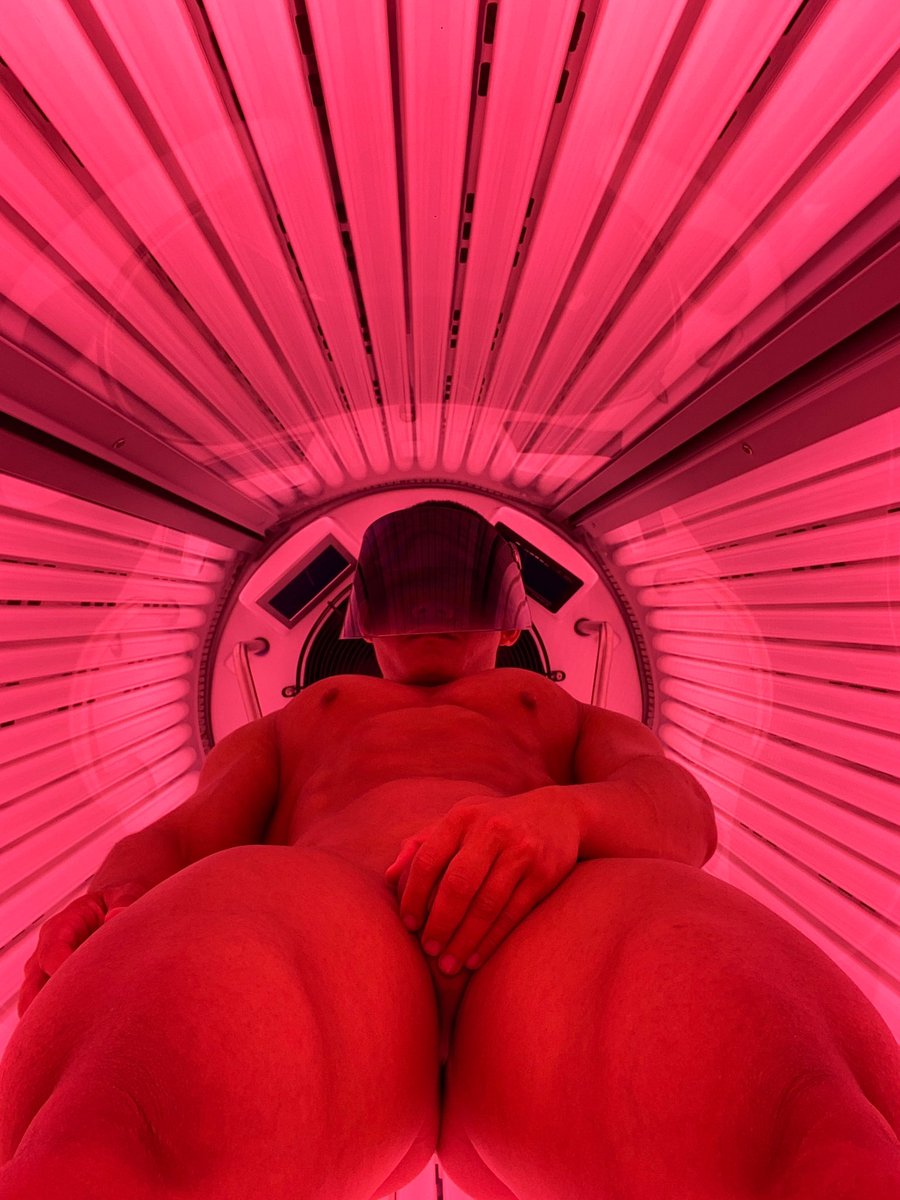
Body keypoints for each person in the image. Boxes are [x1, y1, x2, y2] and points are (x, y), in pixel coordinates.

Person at [1, 500, 898, 1200]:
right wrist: (109, 893)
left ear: (509, 623)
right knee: (93, 1147)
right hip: (328, 913)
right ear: (365, 621)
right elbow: (189, 831)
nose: (428, 614)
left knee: (827, 1138)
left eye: (453, 590)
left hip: (555, 916)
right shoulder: (308, 715)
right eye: (407, 592)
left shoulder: (553, 708)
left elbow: (680, 812)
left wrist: (564, 819)